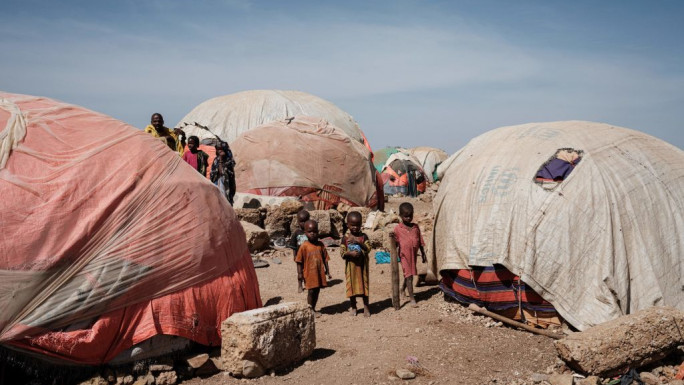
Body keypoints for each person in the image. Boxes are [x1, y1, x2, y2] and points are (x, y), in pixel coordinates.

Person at [391, 202, 426, 307]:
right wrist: (392, 238)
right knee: (409, 275)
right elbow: (395, 243)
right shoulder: (398, 229)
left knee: (409, 274)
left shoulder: (415, 227)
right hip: (404, 256)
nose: (408, 218)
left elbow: (420, 241)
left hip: (413, 255)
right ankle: (412, 299)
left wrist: (423, 254)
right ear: (400, 216)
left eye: (410, 216)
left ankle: (402, 289)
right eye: (405, 216)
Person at [295, 220, 332, 317]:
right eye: (309, 231)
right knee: (311, 291)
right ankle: (310, 309)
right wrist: (300, 274)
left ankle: (313, 308)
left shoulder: (320, 245)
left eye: (315, 231)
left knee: (317, 290)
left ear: (318, 232)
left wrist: (328, 271)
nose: (312, 234)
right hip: (309, 274)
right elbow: (299, 261)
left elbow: (325, 259)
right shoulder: (304, 246)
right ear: (305, 232)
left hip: (319, 273)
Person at [341, 211, 371, 317]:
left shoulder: (364, 237)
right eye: (352, 225)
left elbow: (368, 248)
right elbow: (342, 253)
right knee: (351, 287)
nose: (355, 227)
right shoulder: (345, 238)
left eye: (358, 225)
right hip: (351, 268)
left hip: (362, 267)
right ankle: (353, 307)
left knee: (364, 286)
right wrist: (350, 253)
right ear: (348, 225)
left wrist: (358, 243)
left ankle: (366, 307)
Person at [288, 210, 310, 293]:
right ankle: (300, 284)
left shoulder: (310, 232)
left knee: (308, 271)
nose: (303, 223)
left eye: (306, 221)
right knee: (300, 273)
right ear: (297, 221)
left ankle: (308, 283)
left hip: (309, 256)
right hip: (299, 257)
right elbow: (293, 245)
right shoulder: (297, 233)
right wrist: (294, 255)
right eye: (301, 221)